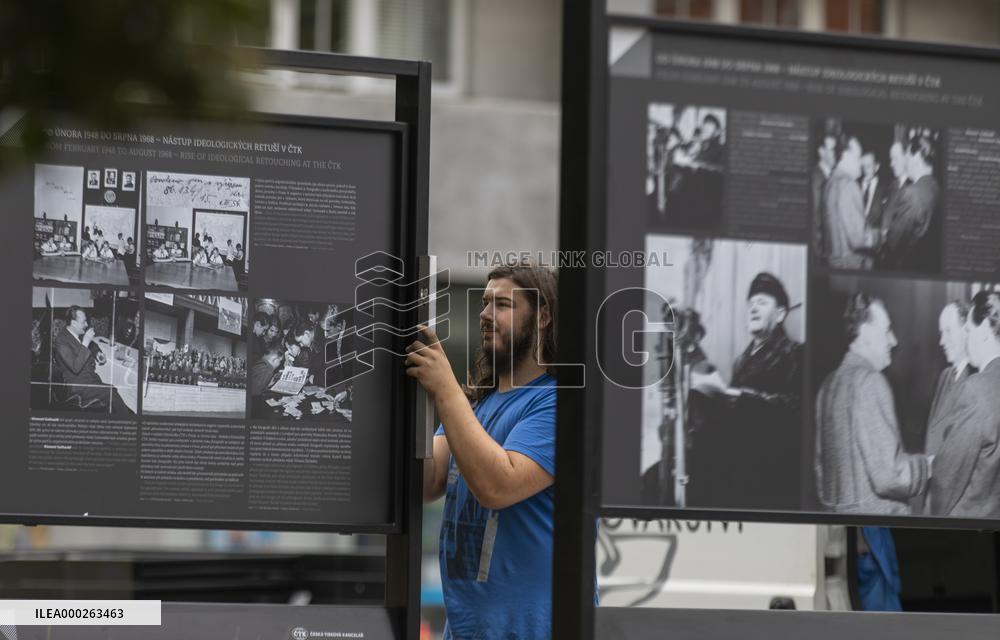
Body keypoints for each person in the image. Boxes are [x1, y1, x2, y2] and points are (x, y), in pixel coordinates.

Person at [409, 261, 565, 639]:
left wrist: (446, 389)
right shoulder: (478, 405)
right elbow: (428, 481)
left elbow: (499, 485)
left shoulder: (558, 403)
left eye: (502, 305)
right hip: (467, 630)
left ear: (542, 316)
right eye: (484, 303)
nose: (485, 315)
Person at [815, 293, 932, 514]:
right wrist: (928, 466)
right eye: (887, 330)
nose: (894, 341)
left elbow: (821, 473)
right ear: (865, 332)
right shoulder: (870, 382)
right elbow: (889, 476)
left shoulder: (827, 385)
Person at [720, 273, 804, 509]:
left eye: (762, 303)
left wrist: (747, 399)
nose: (753, 309)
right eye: (751, 304)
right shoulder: (741, 360)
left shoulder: (795, 354)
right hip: (736, 469)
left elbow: (797, 408)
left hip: (770, 476)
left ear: (780, 314)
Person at [927, 291, 1000, 518]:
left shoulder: (976, 388)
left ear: (987, 329)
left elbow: (948, 477)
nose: (967, 339)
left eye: (968, 331)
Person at [924, 301, 976, 514]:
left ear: (966, 331)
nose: (942, 341)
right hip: (934, 492)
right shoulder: (945, 376)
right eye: (940, 332)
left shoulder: (976, 381)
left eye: (948, 331)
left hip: (958, 502)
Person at [881, 135, 940, 271]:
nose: (906, 162)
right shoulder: (935, 188)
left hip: (904, 266)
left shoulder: (912, 193)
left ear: (917, 156)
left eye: (907, 156)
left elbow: (893, 243)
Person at [822, 136, 870, 269]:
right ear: (846, 155)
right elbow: (859, 239)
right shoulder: (849, 185)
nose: (861, 163)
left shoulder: (830, 182)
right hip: (850, 264)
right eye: (858, 157)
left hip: (833, 262)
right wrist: (880, 237)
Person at [53, 306, 109, 409]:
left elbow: (92, 346)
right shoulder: (61, 341)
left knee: (111, 396)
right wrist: (86, 342)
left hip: (90, 379)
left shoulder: (78, 333)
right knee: (111, 393)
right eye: (84, 322)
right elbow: (75, 367)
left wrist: (98, 353)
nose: (86, 325)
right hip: (77, 386)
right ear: (74, 323)